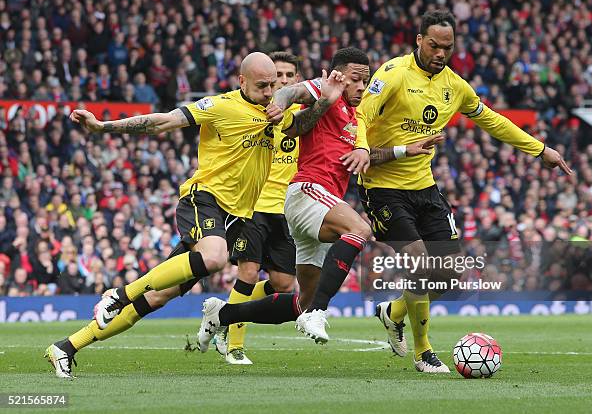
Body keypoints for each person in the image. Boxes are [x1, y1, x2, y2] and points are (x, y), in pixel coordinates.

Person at [44, 52, 302, 379]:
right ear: (241, 81)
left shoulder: (279, 110)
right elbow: (164, 121)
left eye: (273, 85)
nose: (269, 91)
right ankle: (119, 295)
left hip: (239, 216)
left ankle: (67, 346)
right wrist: (104, 126)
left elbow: (313, 91)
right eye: (262, 85)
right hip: (205, 199)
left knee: (158, 296)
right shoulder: (221, 106)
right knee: (214, 258)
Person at [355, 10, 571, 373]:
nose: (441, 53)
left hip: (425, 188)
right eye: (435, 45)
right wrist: (362, 148)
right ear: (419, 40)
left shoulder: (455, 86)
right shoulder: (393, 73)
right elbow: (362, 114)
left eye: (448, 47)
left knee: (450, 276)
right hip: (383, 187)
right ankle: (424, 351)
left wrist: (540, 149)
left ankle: (392, 313)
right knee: (420, 262)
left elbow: (492, 120)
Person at [196, 48, 439, 349]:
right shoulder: (326, 88)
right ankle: (319, 312)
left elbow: (365, 155)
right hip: (307, 191)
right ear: (340, 76)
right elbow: (291, 92)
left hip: (320, 206)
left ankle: (222, 314)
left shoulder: (357, 116)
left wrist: (404, 150)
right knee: (360, 230)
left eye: (365, 82)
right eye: (356, 80)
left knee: (301, 301)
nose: (362, 87)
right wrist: (279, 106)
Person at [217, 52, 302, 365]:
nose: (282, 80)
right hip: (252, 206)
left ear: (297, 80)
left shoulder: (302, 117)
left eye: (288, 75)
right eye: (277, 75)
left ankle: (222, 314)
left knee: (282, 285)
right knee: (248, 273)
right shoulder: (250, 111)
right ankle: (235, 346)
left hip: (286, 210)